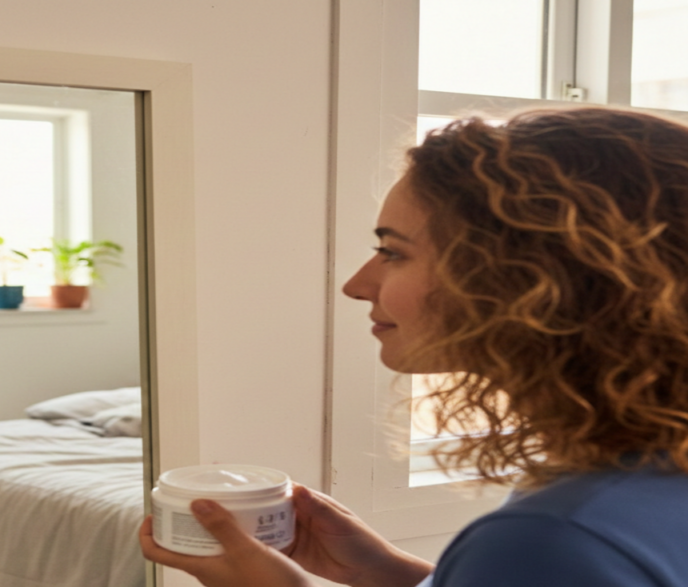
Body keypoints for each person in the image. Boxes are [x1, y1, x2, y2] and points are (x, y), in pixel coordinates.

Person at [140, 106, 688, 586]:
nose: (356, 285)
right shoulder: (637, 482)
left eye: (394, 253)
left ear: (524, 279)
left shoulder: (556, 537)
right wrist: (383, 573)